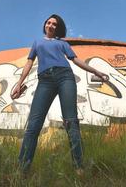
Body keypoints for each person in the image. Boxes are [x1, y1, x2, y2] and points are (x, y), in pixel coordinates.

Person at [11, 14, 108, 175]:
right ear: (45, 25)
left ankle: (79, 168)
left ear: (58, 28)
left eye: (54, 24)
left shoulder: (62, 43)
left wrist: (97, 71)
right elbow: (29, 62)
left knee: (71, 122)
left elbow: (75, 60)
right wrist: (19, 83)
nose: (50, 25)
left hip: (65, 77)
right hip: (45, 81)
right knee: (33, 126)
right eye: (48, 23)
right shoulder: (37, 42)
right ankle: (22, 171)